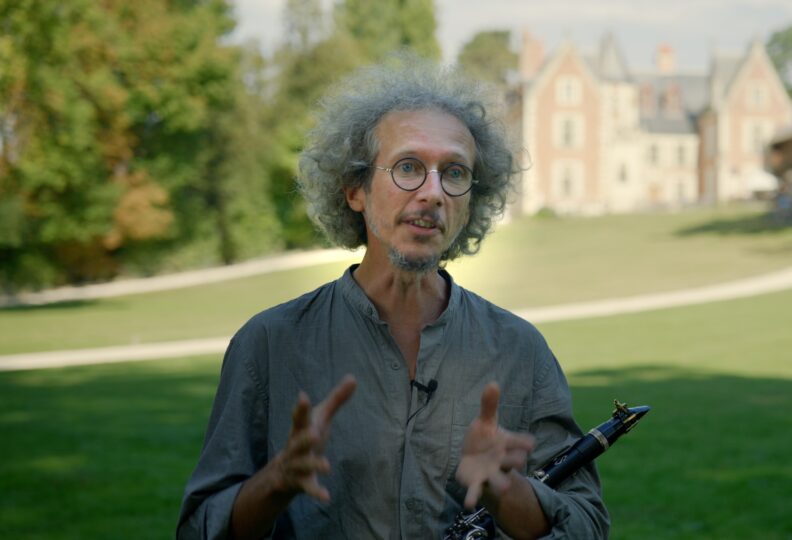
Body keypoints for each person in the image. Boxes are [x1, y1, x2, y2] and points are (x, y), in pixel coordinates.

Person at [176, 58, 609, 539]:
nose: (433, 192)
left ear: (470, 204)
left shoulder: (520, 351)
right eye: (408, 167)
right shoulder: (270, 344)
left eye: (455, 173)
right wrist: (275, 483)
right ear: (355, 189)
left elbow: (586, 526)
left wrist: (507, 493)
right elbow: (198, 528)